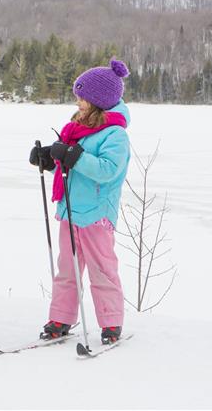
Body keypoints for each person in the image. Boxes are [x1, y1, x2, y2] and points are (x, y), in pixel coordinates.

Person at [29, 59, 131, 345]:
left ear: (99, 101)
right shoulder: (76, 127)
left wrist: (74, 156)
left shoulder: (115, 134)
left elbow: (108, 170)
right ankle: (60, 317)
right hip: (70, 210)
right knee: (67, 269)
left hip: (97, 213)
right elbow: (68, 162)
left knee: (102, 270)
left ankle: (111, 322)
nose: (78, 102)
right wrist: (50, 158)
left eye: (82, 97)